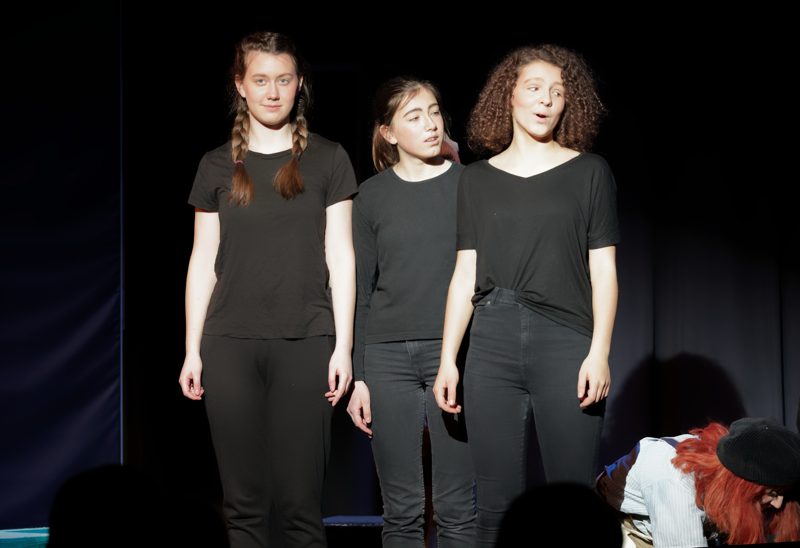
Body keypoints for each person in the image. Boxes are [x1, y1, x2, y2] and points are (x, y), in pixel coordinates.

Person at [432, 44, 619, 546]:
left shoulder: (590, 172)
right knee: (494, 508)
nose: (545, 100)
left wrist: (599, 352)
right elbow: (464, 274)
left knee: (573, 505)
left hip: (566, 343)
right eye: (534, 88)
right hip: (490, 345)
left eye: (557, 92)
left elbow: (604, 270)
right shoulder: (476, 179)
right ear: (508, 95)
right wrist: (448, 359)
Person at [178, 31, 357, 548]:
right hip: (229, 345)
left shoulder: (329, 159)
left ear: (299, 84)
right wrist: (192, 349)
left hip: (306, 340)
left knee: (301, 508)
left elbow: (341, 256)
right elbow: (203, 261)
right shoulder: (216, 164)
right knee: (244, 507)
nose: (272, 92)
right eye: (260, 80)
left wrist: (343, 346)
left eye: (283, 79)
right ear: (240, 85)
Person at [347, 77, 476, 547]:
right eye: (414, 116)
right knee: (401, 511)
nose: (430, 124)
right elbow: (361, 290)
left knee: (457, 507)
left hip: (455, 353)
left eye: (435, 111)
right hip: (387, 356)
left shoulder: (469, 184)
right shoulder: (370, 196)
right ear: (388, 133)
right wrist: (360, 377)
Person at [596, 418, 800, 546]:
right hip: (622, 527)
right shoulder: (677, 484)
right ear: (742, 484)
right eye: (773, 492)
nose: (778, 504)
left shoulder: (730, 466)